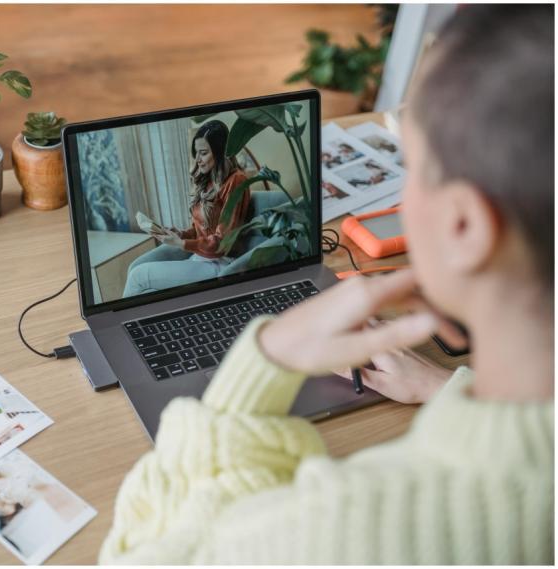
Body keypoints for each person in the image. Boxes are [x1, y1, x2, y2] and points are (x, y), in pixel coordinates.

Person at [101, 5, 553, 564]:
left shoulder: (347, 523)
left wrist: (259, 364)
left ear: (464, 226)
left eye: (410, 167)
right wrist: (444, 386)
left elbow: (137, 555)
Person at [122, 120, 249, 297]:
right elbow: (200, 231)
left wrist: (180, 244)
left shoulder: (236, 181)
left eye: (203, 153)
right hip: (201, 258)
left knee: (138, 277)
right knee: (136, 272)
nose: (197, 160)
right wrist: (180, 234)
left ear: (220, 152)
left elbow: (221, 243)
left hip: (220, 263)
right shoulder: (208, 180)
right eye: (196, 153)